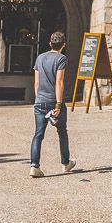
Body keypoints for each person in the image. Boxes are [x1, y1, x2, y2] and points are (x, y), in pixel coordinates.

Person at [29, 30, 76, 177]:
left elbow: (36, 83)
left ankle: (34, 166)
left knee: (38, 134)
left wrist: (39, 100)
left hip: (40, 101)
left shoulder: (40, 58)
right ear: (63, 45)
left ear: (50, 43)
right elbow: (59, 82)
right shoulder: (61, 59)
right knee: (62, 132)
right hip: (53, 101)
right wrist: (58, 104)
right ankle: (65, 163)